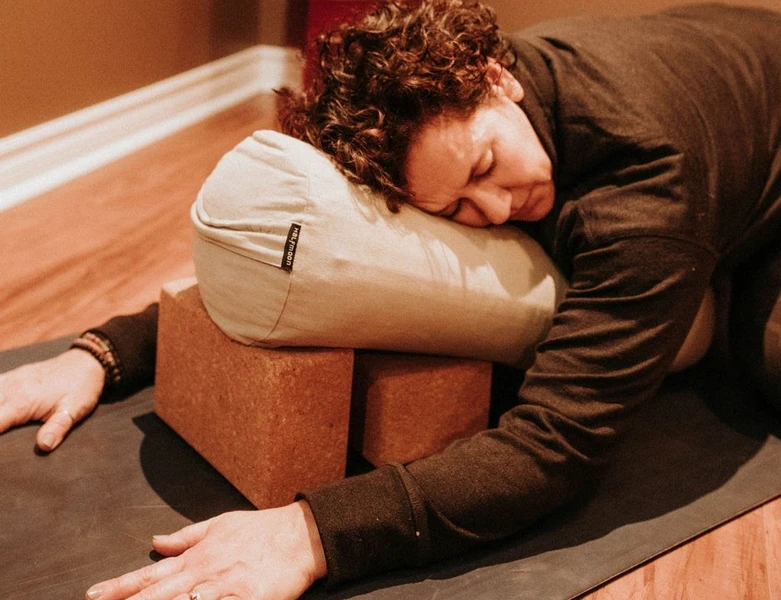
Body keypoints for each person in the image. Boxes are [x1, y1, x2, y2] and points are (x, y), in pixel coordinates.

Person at [1, 1, 780, 598]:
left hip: (746, 111)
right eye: (459, 206)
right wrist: (102, 353)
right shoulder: (449, 113)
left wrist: (311, 535)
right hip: (713, 66)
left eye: (485, 166)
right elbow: (332, 260)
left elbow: (554, 449)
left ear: (497, 80)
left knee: (761, 361)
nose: (496, 208)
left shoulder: (643, 192)